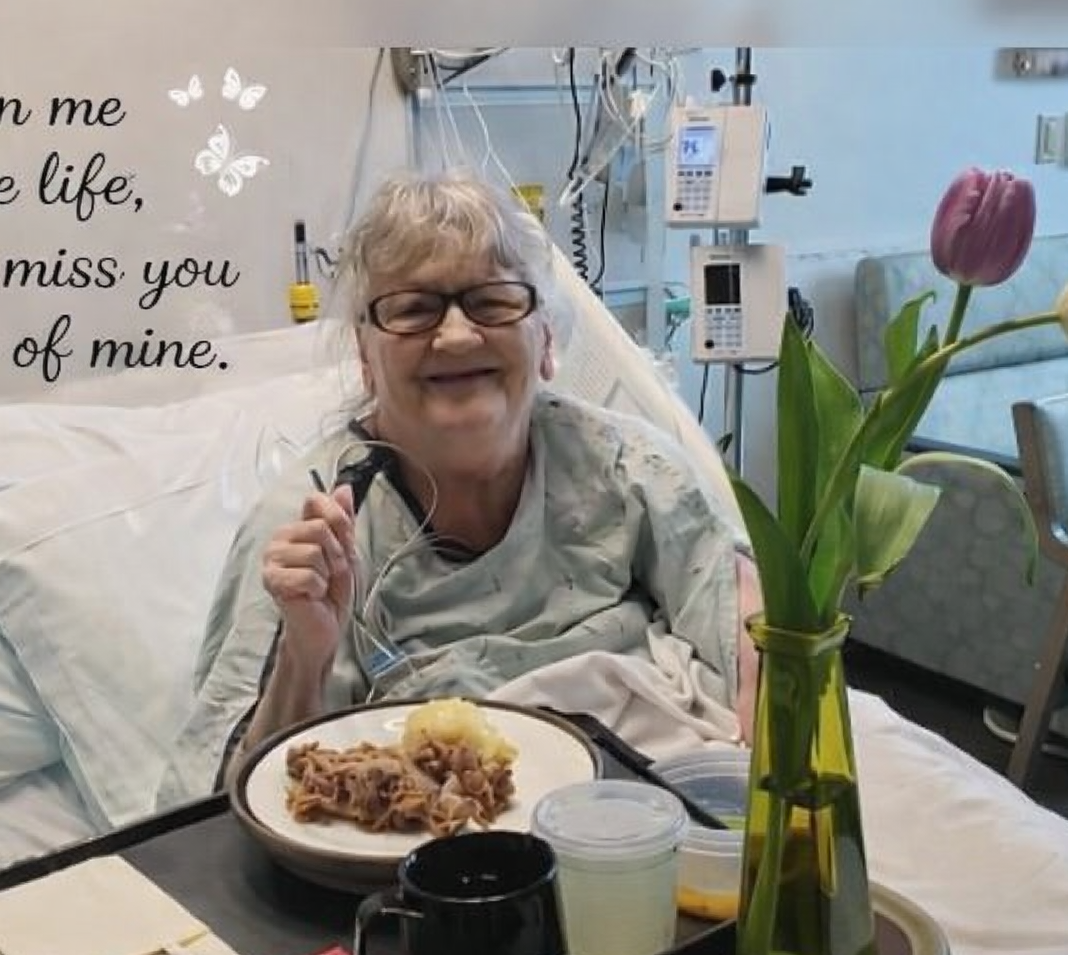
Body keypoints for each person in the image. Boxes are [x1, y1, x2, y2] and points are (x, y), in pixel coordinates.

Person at [156, 168, 761, 807]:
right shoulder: (316, 523)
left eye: (493, 302)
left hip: (650, 794)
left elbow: (745, 618)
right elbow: (230, 805)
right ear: (365, 359)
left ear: (547, 341)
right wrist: (305, 655)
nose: (456, 335)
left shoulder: (622, 464)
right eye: (413, 310)